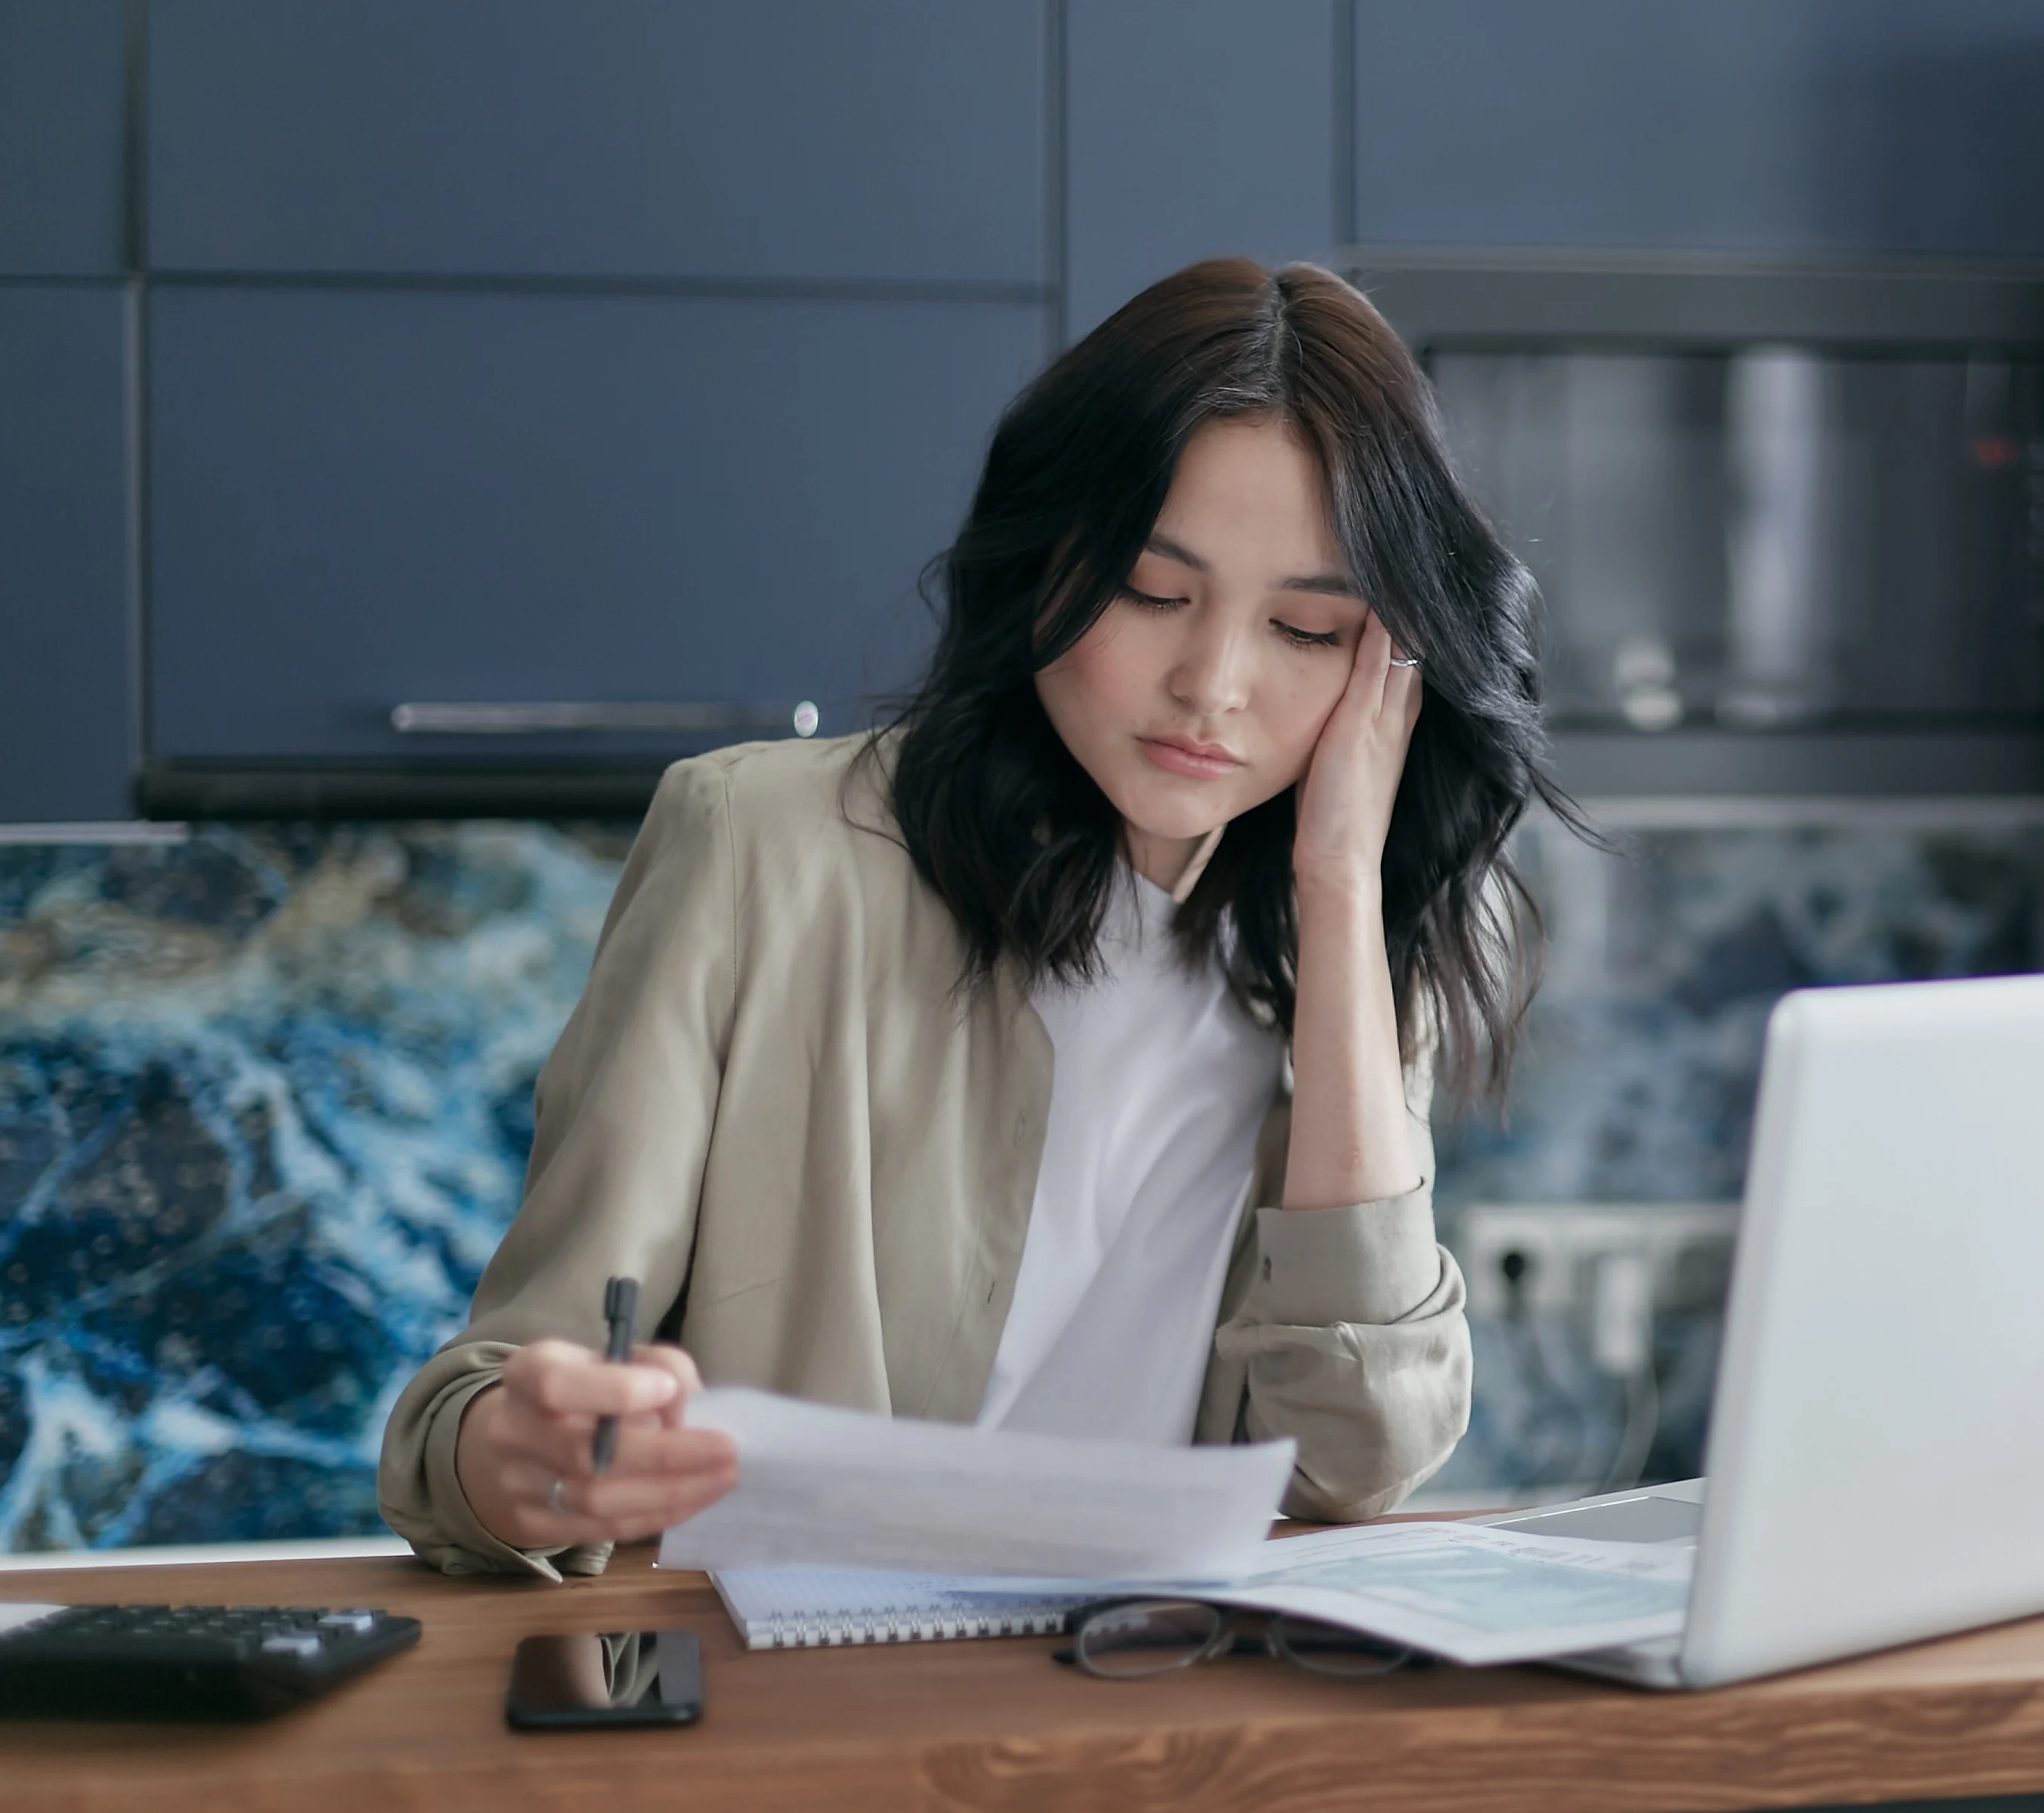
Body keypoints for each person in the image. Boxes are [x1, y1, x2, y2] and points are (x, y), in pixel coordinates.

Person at [377, 257, 1564, 1579]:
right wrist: (527, 1457)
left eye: (1303, 627)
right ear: (1045, 560)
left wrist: (1343, 885)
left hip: (1158, 1722)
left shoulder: (1335, 958)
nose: (1211, 685)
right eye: (1153, 593)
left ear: (1386, 668)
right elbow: (473, 1408)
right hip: (806, 1724)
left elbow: (1356, 1459)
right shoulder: (762, 849)